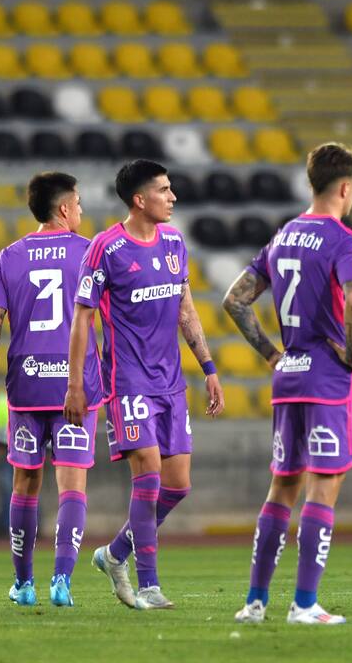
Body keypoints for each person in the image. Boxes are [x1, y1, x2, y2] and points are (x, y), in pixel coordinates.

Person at [67, 159, 225, 611]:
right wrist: (76, 385)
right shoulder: (105, 248)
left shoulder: (175, 243)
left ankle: (116, 553)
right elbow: (82, 318)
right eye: (164, 190)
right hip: (128, 383)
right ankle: (150, 585)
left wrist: (209, 366)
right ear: (140, 200)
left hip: (171, 384)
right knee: (150, 478)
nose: (172, 197)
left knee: (178, 485)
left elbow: (185, 308)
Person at [223, 142, 352, 626]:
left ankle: (255, 602)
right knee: (323, 487)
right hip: (328, 378)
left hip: (289, 377)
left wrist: (269, 353)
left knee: (282, 486)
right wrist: (351, 352)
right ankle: (304, 604)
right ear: (345, 187)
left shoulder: (283, 236)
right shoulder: (344, 240)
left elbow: (235, 300)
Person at [0, 171, 102, 608]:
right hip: (74, 388)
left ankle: (23, 585)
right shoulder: (89, 254)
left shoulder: (9, 257)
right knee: (72, 487)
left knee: (24, 484)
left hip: (26, 388)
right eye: (78, 203)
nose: (81, 211)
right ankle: (62, 581)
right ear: (64, 209)